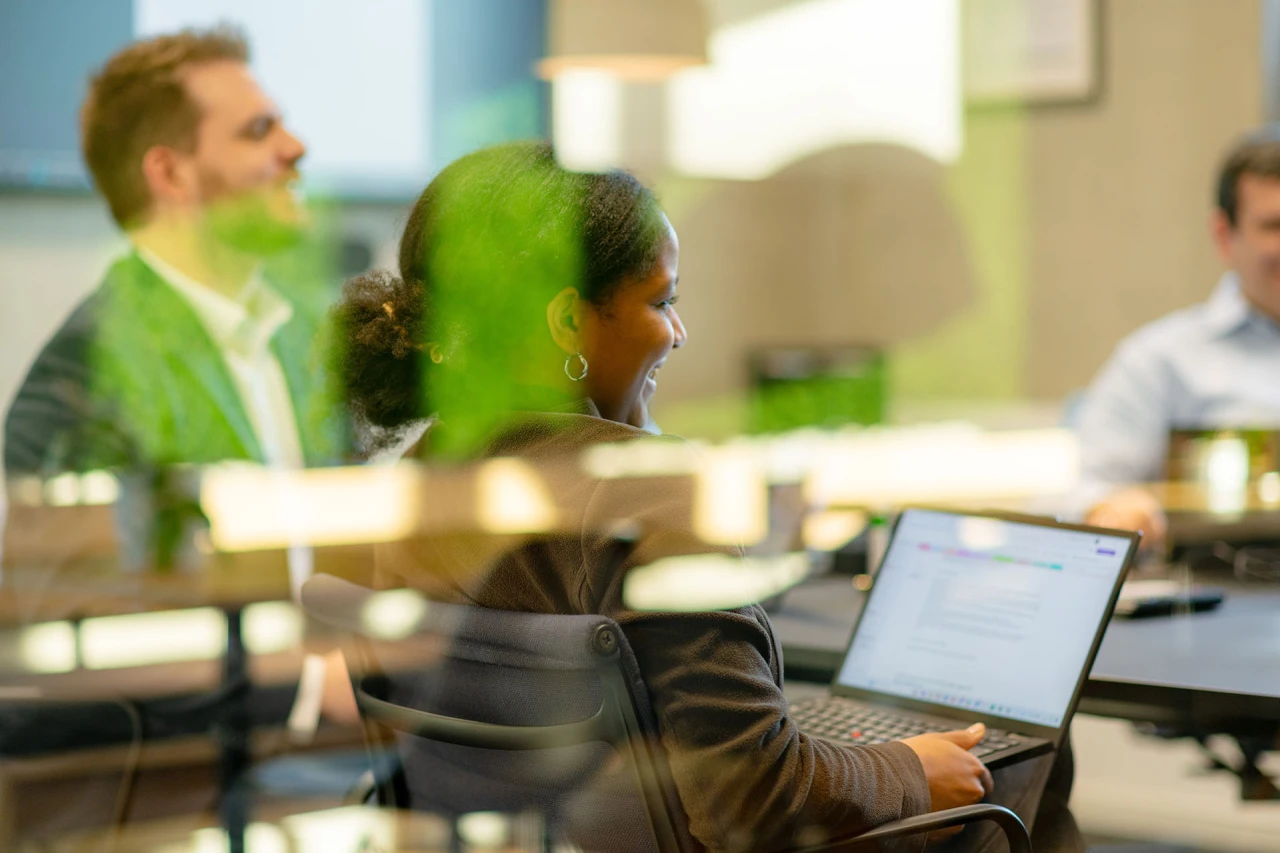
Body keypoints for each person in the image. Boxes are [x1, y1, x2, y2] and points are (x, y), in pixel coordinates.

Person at [332, 142, 1078, 852]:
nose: (680, 332)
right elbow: (750, 802)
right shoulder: (656, 492)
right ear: (567, 321)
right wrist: (908, 771)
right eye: (663, 300)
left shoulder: (420, 478)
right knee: (1015, 770)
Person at [3, 26, 346, 478]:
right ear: (169, 173)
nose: (296, 146)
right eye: (259, 130)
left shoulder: (310, 335)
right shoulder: (83, 378)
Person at [1076, 126, 1280, 544]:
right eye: (1274, 225)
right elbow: (1092, 492)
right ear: (1225, 236)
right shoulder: (1160, 360)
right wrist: (1113, 511)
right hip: (1223, 595)